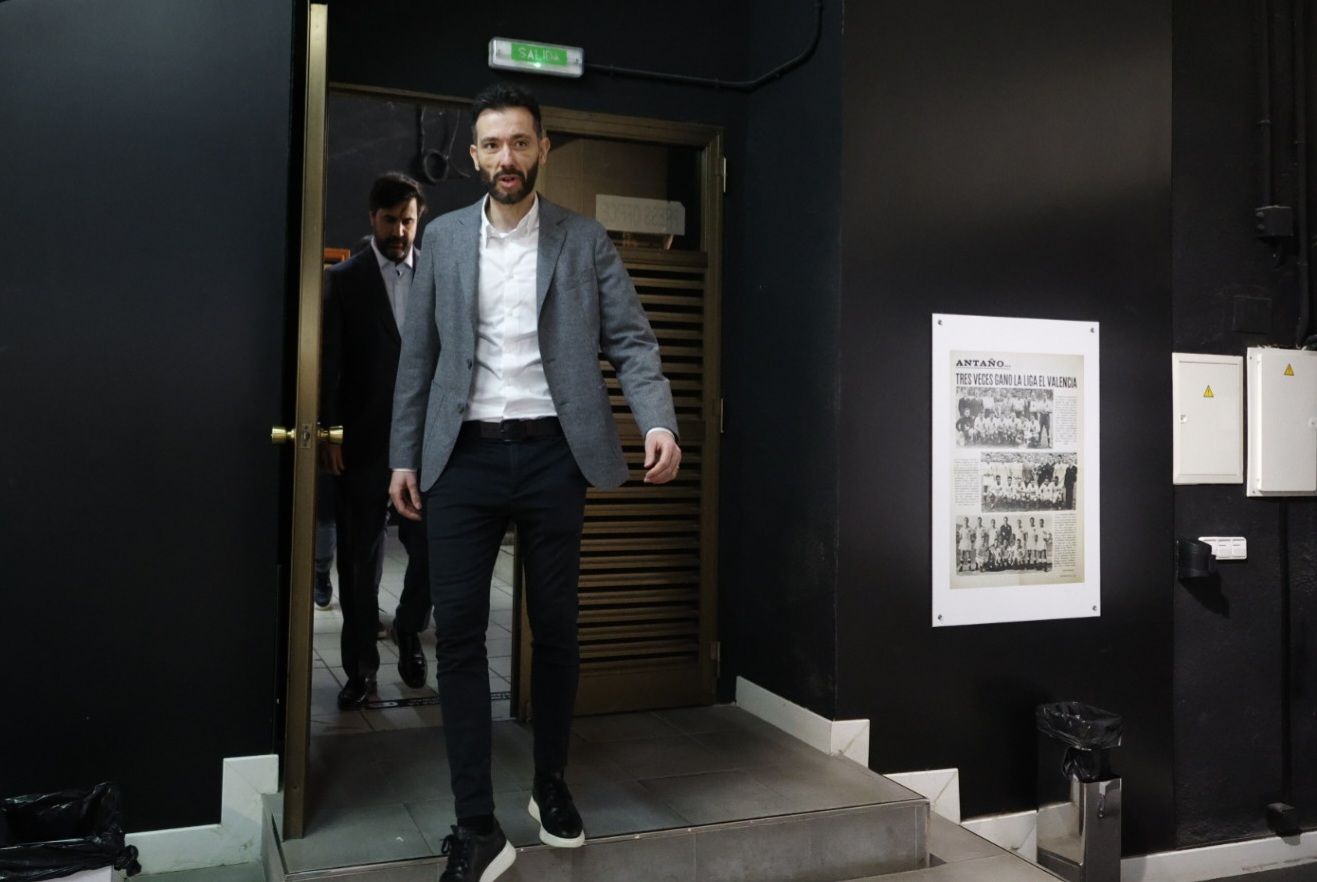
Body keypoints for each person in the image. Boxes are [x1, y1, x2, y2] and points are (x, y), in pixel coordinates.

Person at [388, 83, 681, 882]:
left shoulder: (582, 242)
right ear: (476, 155)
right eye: (491, 145)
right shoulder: (443, 240)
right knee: (456, 636)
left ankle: (549, 784)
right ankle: (475, 824)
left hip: (555, 454)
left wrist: (658, 421)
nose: (505, 158)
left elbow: (632, 341)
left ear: (541, 149)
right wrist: (402, 455)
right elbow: (418, 356)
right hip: (463, 457)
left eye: (519, 143)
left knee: (553, 629)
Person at [322, 172, 435, 708]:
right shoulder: (344, 280)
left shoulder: (437, 274)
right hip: (364, 444)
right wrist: (332, 431)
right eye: (390, 220)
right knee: (358, 563)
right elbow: (331, 364)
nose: (400, 230)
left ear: (419, 219)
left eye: (408, 220)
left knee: (434, 550)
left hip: (429, 444)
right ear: (373, 219)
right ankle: (361, 670)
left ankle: (409, 627)